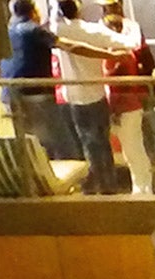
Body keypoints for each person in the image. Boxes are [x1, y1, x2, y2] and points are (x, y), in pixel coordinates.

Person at [52, 0, 132, 194]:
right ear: (78, 8)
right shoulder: (93, 30)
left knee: (87, 142)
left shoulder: (58, 29)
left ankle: (96, 182)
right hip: (96, 93)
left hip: (74, 95)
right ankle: (108, 185)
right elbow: (128, 43)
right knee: (102, 141)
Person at [102, 2, 155, 193]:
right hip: (123, 103)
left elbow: (119, 83)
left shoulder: (122, 53)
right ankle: (141, 185)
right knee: (132, 148)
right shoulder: (118, 52)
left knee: (134, 148)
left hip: (126, 104)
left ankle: (143, 186)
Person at [0, 0, 62, 152]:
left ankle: (31, 171)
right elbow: (68, 45)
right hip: (35, 93)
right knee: (44, 139)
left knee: (24, 140)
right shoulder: (35, 30)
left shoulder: (7, 31)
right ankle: (44, 172)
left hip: (9, 93)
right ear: (33, 11)